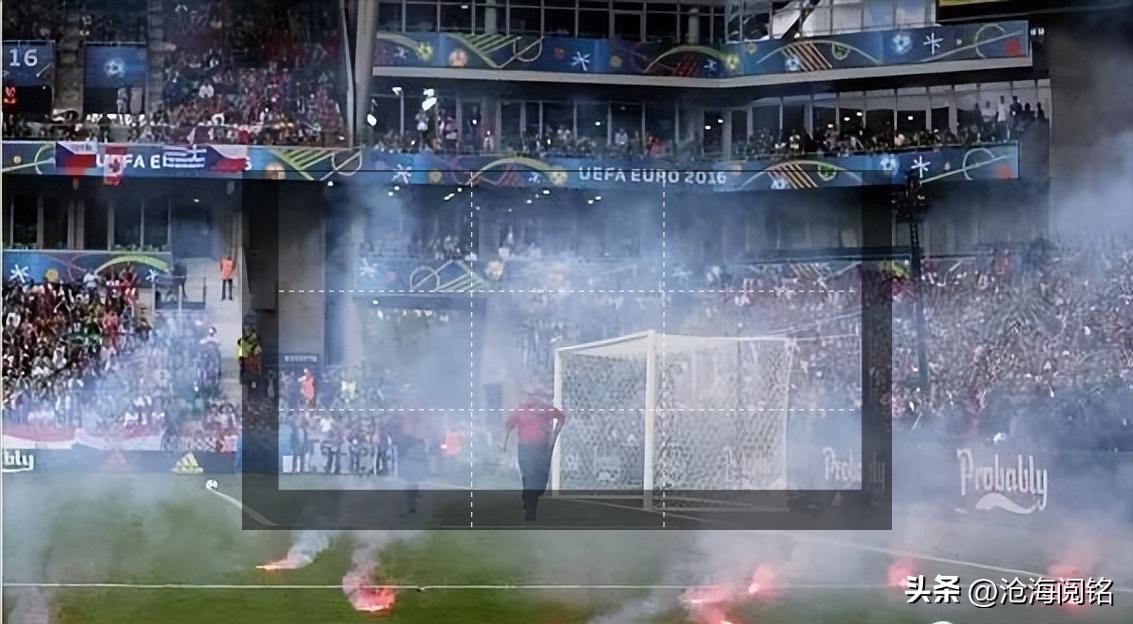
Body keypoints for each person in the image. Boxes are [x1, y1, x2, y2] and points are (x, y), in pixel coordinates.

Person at [501, 385, 565, 521]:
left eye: (532, 395)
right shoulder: (521, 411)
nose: (529, 398)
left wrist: (554, 436)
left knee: (540, 479)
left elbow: (561, 418)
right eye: (527, 395)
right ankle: (530, 507)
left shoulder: (544, 409)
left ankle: (529, 499)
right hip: (525, 447)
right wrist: (505, 444)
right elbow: (509, 426)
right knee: (529, 476)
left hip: (541, 447)